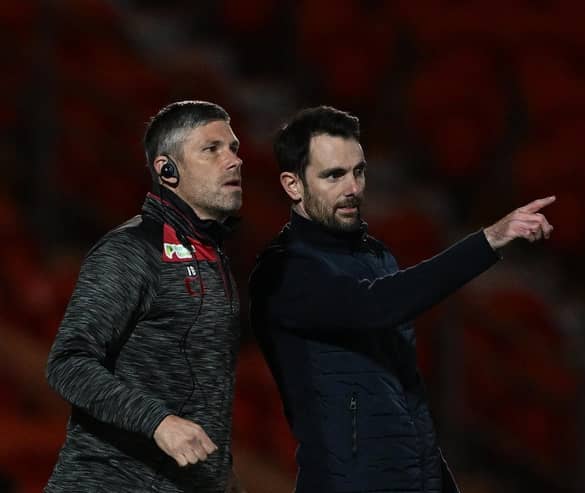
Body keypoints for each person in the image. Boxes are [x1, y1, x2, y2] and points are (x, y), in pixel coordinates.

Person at [249, 106, 555, 493]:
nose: (353, 188)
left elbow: (406, 398)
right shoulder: (284, 271)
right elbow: (376, 306)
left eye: (358, 171)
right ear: (293, 185)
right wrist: (488, 241)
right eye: (334, 175)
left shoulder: (376, 257)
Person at [45, 101, 247, 493]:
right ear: (167, 170)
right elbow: (67, 362)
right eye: (212, 149)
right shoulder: (130, 250)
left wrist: (219, 473)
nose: (234, 161)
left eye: (234, 148)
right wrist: (158, 422)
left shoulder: (213, 256)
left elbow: (197, 386)